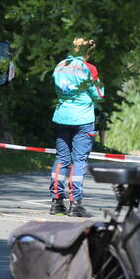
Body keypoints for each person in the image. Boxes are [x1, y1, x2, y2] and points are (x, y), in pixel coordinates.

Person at [49, 37, 104, 217]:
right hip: (82, 119)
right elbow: (98, 94)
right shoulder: (89, 68)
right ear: (88, 52)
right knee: (78, 161)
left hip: (62, 116)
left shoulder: (60, 65)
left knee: (61, 159)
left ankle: (56, 202)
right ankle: (75, 203)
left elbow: (58, 88)